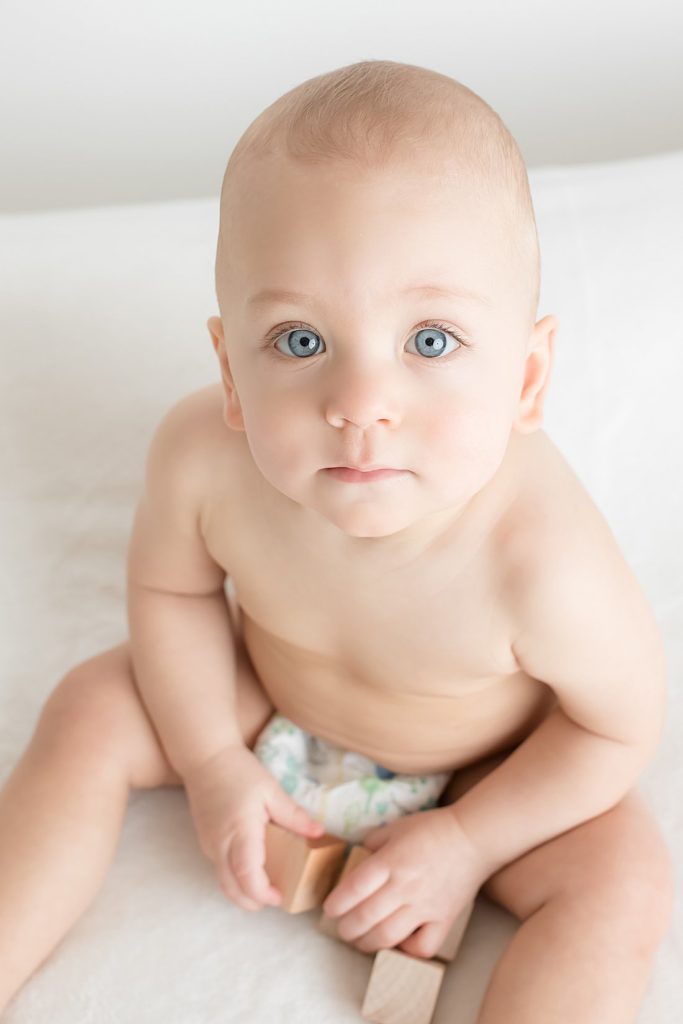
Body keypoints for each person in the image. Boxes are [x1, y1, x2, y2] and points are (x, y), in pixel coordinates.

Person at [0, 60, 673, 1023]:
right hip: (265, 709)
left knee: (624, 881)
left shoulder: (544, 563)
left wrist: (470, 841)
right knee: (92, 708)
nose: (360, 406)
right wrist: (211, 763)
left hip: (479, 769)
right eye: (301, 342)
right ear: (231, 372)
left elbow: (614, 727)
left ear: (525, 379)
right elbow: (173, 596)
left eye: (429, 341)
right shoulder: (203, 460)